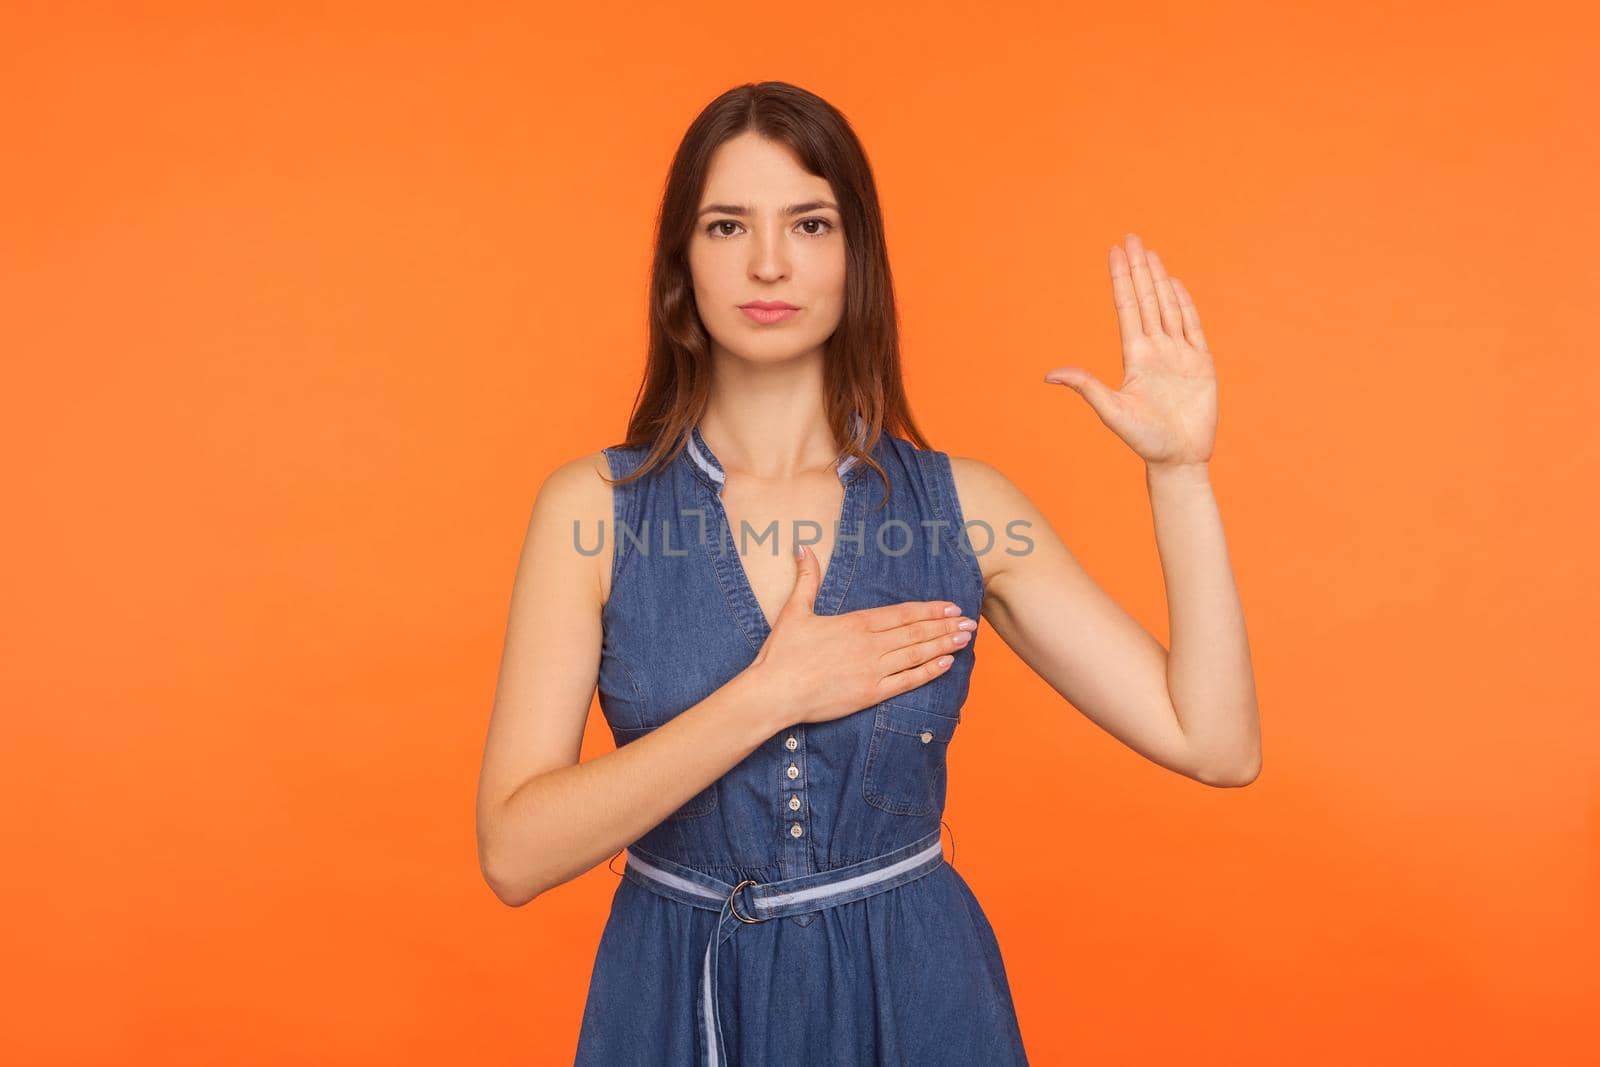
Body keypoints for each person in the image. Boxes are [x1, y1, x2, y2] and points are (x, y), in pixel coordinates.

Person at [475, 81, 1261, 1066]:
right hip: (674, 1000)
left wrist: (1178, 474)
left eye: (808, 222)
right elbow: (513, 852)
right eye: (727, 225)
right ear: (680, 263)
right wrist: (770, 694)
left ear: (855, 259)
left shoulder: (965, 507)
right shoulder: (593, 508)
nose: (768, 261)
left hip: (917, 998)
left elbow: (1216, 743)